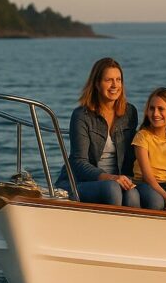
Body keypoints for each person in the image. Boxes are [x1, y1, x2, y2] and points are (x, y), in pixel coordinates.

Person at [56, 57, 139, 206]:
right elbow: (79, 162)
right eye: (108, 80)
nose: (115, 85)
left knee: (133, 194)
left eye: (118, 80)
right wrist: (110, 178)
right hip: (80, 181)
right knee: (112, 188)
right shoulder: (81, 115)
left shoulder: (129, 112)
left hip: (118, 179)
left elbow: (130, 157)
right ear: (96, 84)